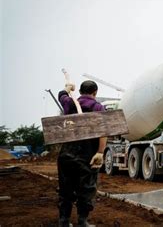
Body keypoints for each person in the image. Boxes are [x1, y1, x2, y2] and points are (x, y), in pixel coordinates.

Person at [57, 80, 107, 227]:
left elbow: (62, 96)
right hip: (87, 155)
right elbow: (103, 132)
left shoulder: (69, 103)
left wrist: (66, 89)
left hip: (66, 154)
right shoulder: (97, 107)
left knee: (65, 188)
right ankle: (82, 221)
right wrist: (100, 152)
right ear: (95, 92)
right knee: (86, 188)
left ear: (79, 92)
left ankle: (64, 221)